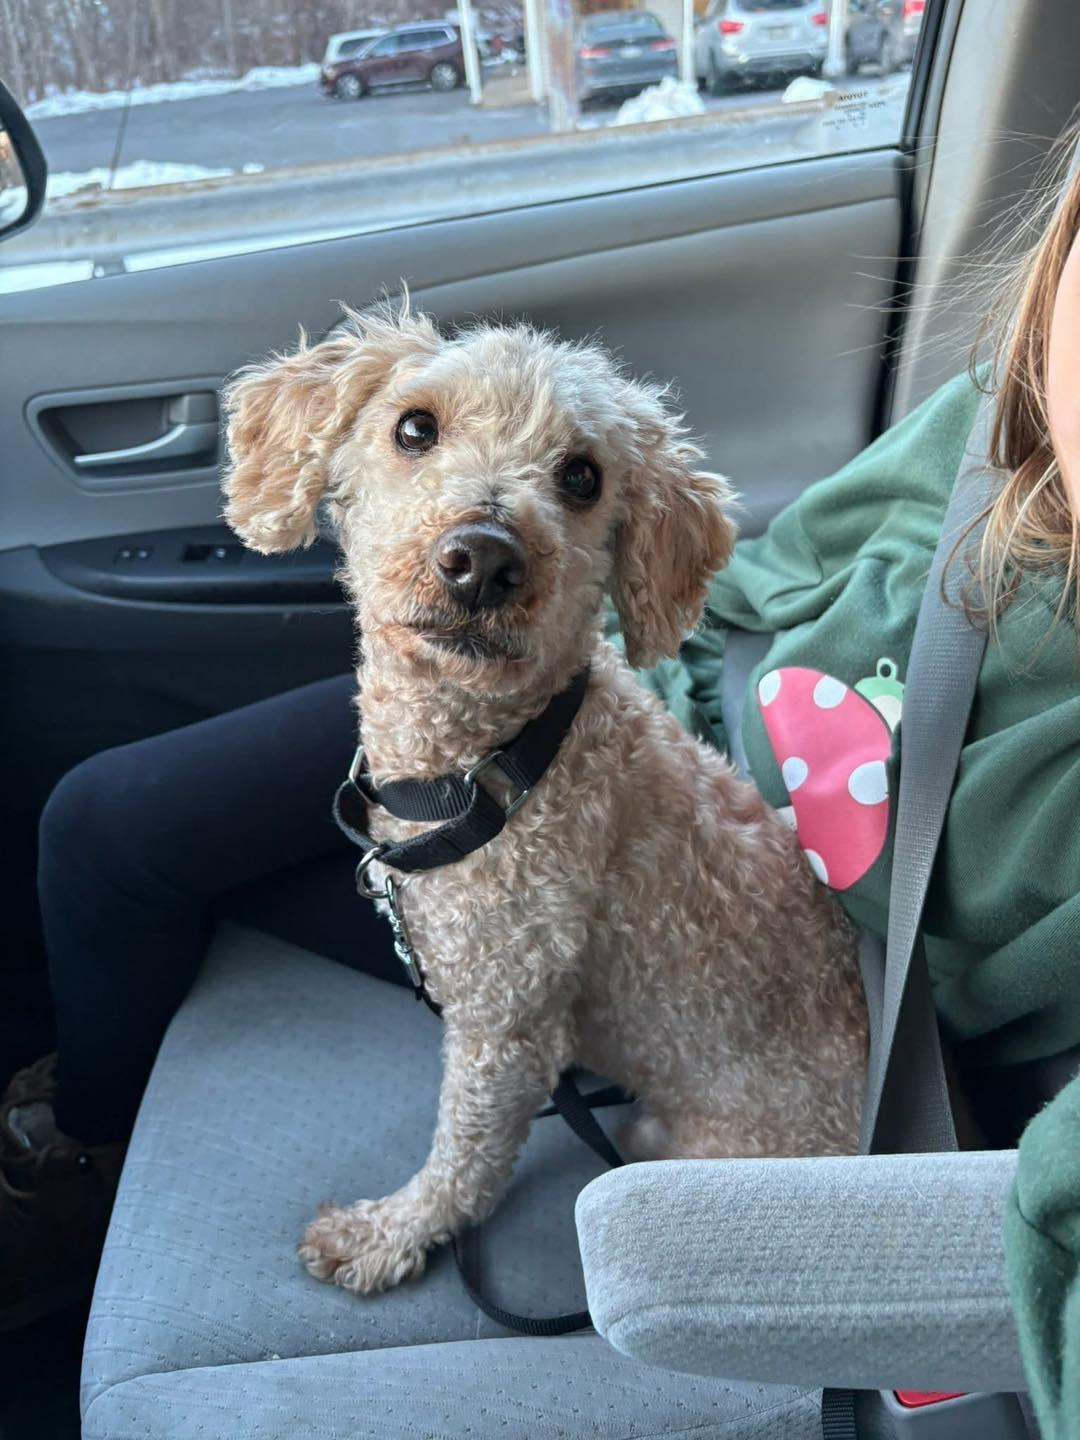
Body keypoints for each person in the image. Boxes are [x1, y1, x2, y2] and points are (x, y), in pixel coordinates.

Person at [5, 135, 1080, 1440]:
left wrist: (427, 1206)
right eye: (421, 434)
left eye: (573, 484)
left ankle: (94, 1184)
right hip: (601, 712)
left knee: (414, 964)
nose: (481, 538)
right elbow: (754, 579)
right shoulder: (992, 408)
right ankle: (75, 1147)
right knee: (111, 823)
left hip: (744, 1001)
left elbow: (511, 1031)